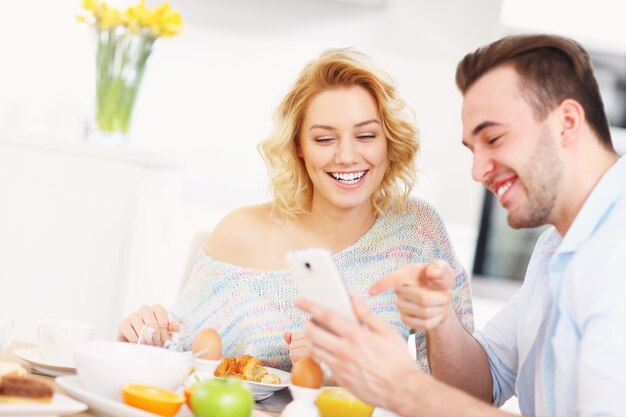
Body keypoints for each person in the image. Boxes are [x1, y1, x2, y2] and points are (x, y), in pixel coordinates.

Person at [298, 34, 626, 416]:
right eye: (473, 149)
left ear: (567, 122)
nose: (478, 171)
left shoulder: (615, 251)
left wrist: (405, 388)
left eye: (494, 138)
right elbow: (485, 382)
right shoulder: (560, 245)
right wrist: (439, 320)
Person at [117, 48, 474, 371]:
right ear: (298, 146)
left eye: (366, 136)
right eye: (324, 138)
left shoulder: (417, 231)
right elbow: (180, 352)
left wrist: (352, 370)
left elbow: (459, 395)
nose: (347, 156)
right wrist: (144, 335)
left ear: (389, 141)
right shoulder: (241, 232)